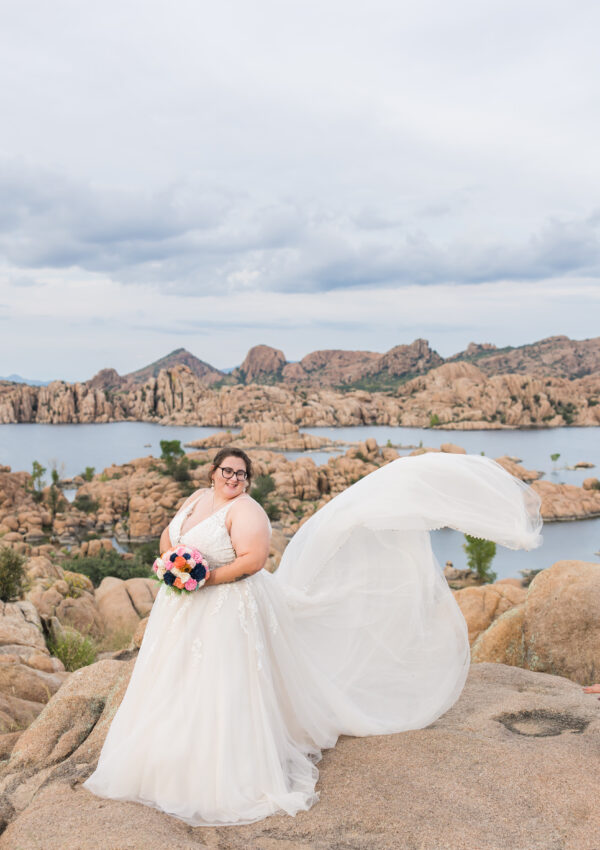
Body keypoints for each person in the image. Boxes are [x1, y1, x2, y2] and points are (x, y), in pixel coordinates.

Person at [84, 447, 543, 826]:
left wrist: (205, 578)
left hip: (225, 608)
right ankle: (167, 761)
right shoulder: (194, 501)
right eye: (227, 471)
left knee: (223, 685)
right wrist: (173, 565)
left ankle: (223, 771)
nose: (234, 479)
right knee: (175, 682)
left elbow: (253, 560)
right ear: (213, 472)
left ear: (248, 480)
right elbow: (170, 538)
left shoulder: (247, 511)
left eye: (242, 474)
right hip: (183, 610)